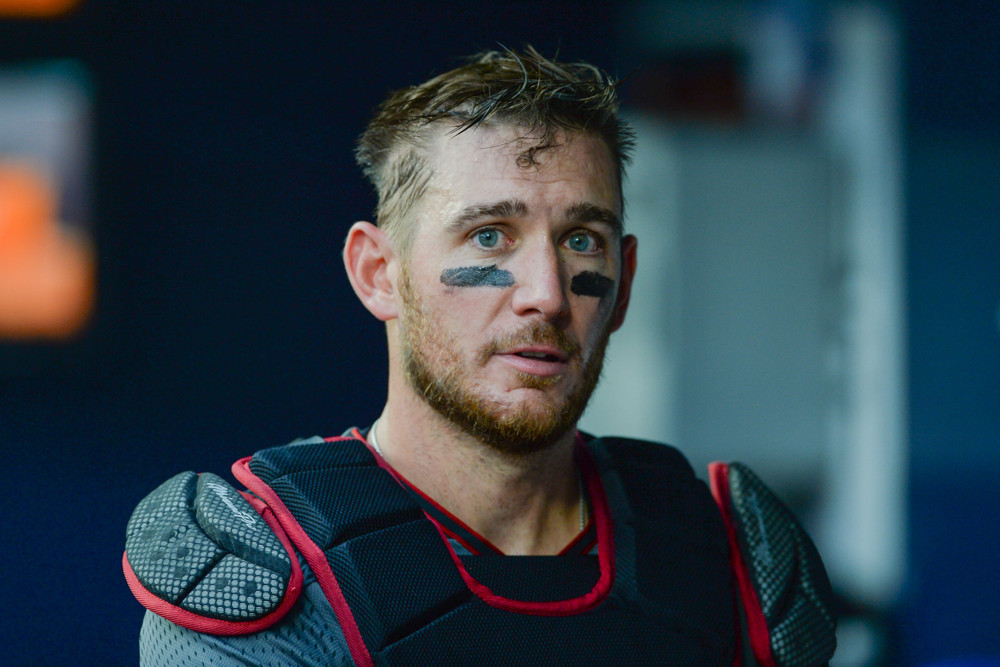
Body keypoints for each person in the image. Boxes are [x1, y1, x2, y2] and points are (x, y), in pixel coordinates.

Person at [123, 47, 837, 666]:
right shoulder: (262, 569)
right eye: (490, 236)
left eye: (581, 239)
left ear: (623, 285)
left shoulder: (736, 556)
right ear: (378, 273)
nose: (548, 295)